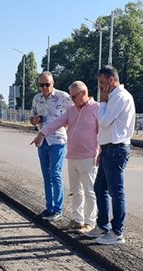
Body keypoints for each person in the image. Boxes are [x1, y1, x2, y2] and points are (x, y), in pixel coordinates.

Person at [31, 81, 99, 232]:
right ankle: (77, 220)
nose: (72, 100)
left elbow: (102, 132)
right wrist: (42, 134)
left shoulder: (96, 108)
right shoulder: (72, 110)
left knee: (89, 190)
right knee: (76, 190)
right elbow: (57, 122)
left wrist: (99, 152)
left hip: (89, 156)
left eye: (74, 97)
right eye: (72, 97)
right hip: (73, 155)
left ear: (84, 93)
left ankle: (90, 222)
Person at [86, 66, 135, 245]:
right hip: (108, 149)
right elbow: (105, 127)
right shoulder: (114, 96)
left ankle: (117, 232)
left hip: (116, 149)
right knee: (100, 188)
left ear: (112, 81)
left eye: (102, 83)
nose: (100, 87)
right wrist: (102, 149)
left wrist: (104, 101)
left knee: (116, 192)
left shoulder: (119, 97)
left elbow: (104, 121)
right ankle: (103, 225)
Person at [29, 71, 73, 221]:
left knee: (55, 173)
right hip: (42, 140)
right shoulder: (37, 98)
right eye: (41, 85)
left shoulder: (63, 97)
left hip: (57, 140)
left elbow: (74, 113)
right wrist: (34, 120)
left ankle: (57, 209)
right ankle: (49, 207)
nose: (44, 88)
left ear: (53, 83)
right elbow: (31, 117)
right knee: (46, 176)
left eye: (47, 84)